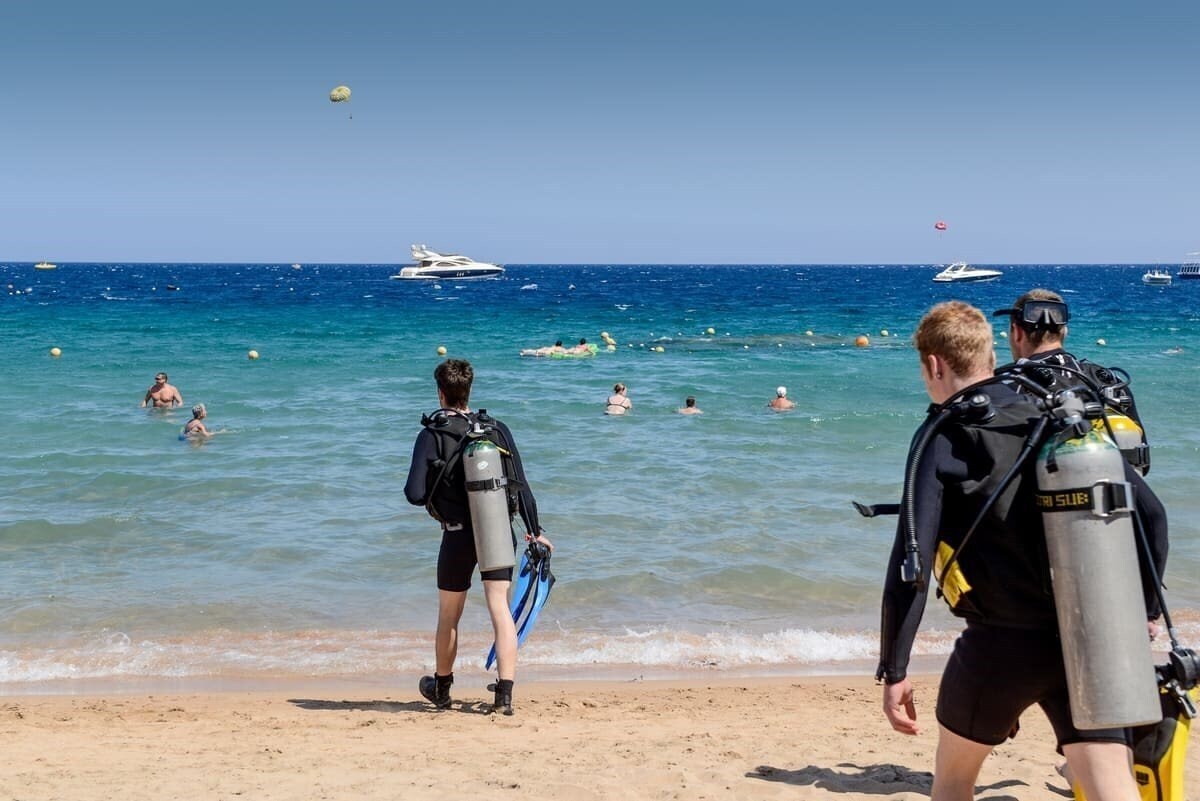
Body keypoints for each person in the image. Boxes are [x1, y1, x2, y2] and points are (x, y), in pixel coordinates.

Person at [877, 301, 1167, 801]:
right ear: (992, 351)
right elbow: (1153, 516)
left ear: (933, 365)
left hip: (1000, 648)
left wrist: (895, 669)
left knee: (950, 786)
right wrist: (1144, 610)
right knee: (1114, 792)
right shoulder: (1055, 415)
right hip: (1089, 640)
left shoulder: (945, 432)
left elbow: (912, 564)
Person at [404, 359, 553, 715]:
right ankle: (504, 695)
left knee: (449, 615)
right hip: (498, 532)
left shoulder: (432, 434)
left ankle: (441, 688)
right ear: (469, 390)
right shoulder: (496, 430)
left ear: (440, 392)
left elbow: (413, 493)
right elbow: (521, 485)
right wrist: (536, 532)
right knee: (500, 610)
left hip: (457, 535)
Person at [993, 289, 1148, 473]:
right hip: (1119, 497)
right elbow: (1143, 465)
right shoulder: (1109, 382)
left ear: (1016, 332)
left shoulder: (1006, 387)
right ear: (1064, 331)